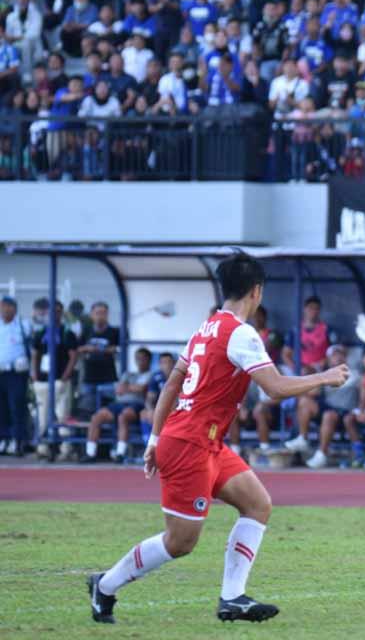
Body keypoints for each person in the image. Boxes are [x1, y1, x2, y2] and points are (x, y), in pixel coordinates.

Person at [89, 252, 349, 624]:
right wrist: (323, 377)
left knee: (258, 504)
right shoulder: (241, 333)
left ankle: (232, 598)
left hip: (202, 441)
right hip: (189, 444)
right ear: (256, 291)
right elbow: (273, 388)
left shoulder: (205, 328)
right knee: (180, 542)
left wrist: (153, 440)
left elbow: (173, 383)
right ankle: (105, 585)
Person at [83, 347, 153, 463]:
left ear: (148, 360)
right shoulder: (128, 374)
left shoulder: (151, 375)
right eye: (137, 359)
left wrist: (129, 388)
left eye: (142, 359)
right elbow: (119, 389)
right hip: (118, 403)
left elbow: (141, 388)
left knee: (123, 416)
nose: (139, 361)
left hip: (136, 405)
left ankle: (120, 453)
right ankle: (90, 453)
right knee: (96, 417)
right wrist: (131, 388)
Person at [31, 300, 78, 458]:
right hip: (43, 380)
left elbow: (73, 356)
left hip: (60, 381)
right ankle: (43, 448)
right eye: (52, 311)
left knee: (62, 415)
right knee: (42, 416)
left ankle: (66, 449)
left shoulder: (66, 332)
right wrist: (34, 375)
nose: (54, 315)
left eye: (58, 311)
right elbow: (36, 355)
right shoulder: (40, 333)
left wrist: (66, 376)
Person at [0, 296, 32, 455]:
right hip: (1, 372)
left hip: (16, 373)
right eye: (3, 306)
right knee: (1, 408)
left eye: (9, 306)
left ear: (15, 308)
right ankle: (3, 439)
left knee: (16, 407)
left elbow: (33, 347)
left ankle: (17, 439)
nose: (6, 309)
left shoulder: (23, 325)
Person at [78, 301, 121, 413]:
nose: (100, 316)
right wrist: (88, 348)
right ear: (92, 314)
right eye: (97, 313)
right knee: (86, 408)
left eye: (103, 313)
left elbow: (119, 349)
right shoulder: (86, 331)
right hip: (89, 377)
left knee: (107, 408)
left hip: (108, 377)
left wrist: (103, 350)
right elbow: (78, 348)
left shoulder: (115, 332)